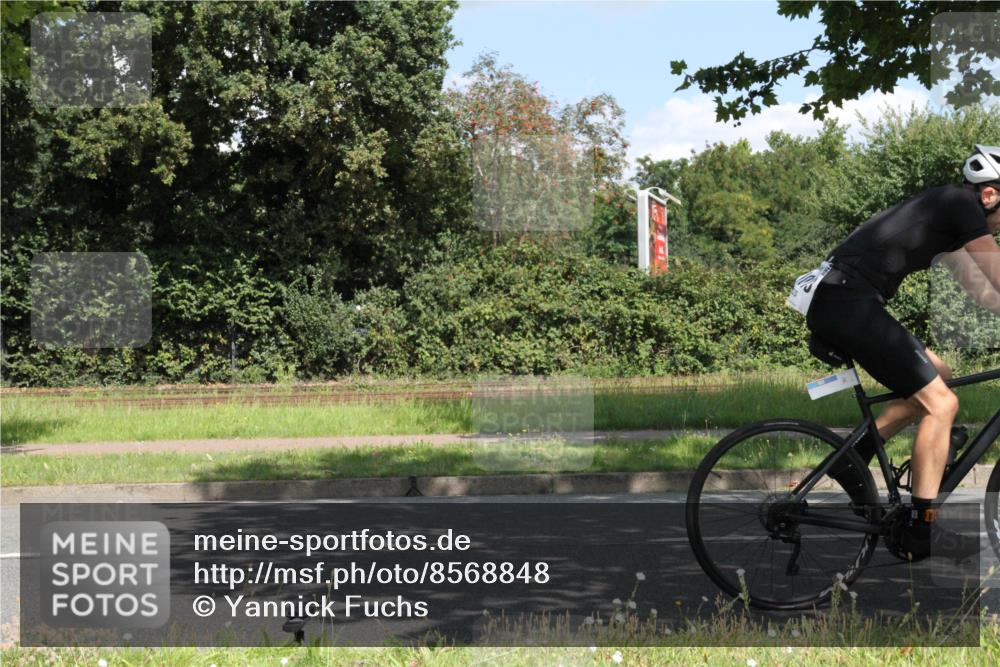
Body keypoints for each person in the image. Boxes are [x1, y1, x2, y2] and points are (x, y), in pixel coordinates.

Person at [805, 144, 1000, 561]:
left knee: (938, 375)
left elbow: (983, 289)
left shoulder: (947, 216)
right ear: (990, 195)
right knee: (941, 405)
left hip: (842, 300)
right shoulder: (959, 203)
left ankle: (851, 460)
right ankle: (920, 530)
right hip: (847, 301)